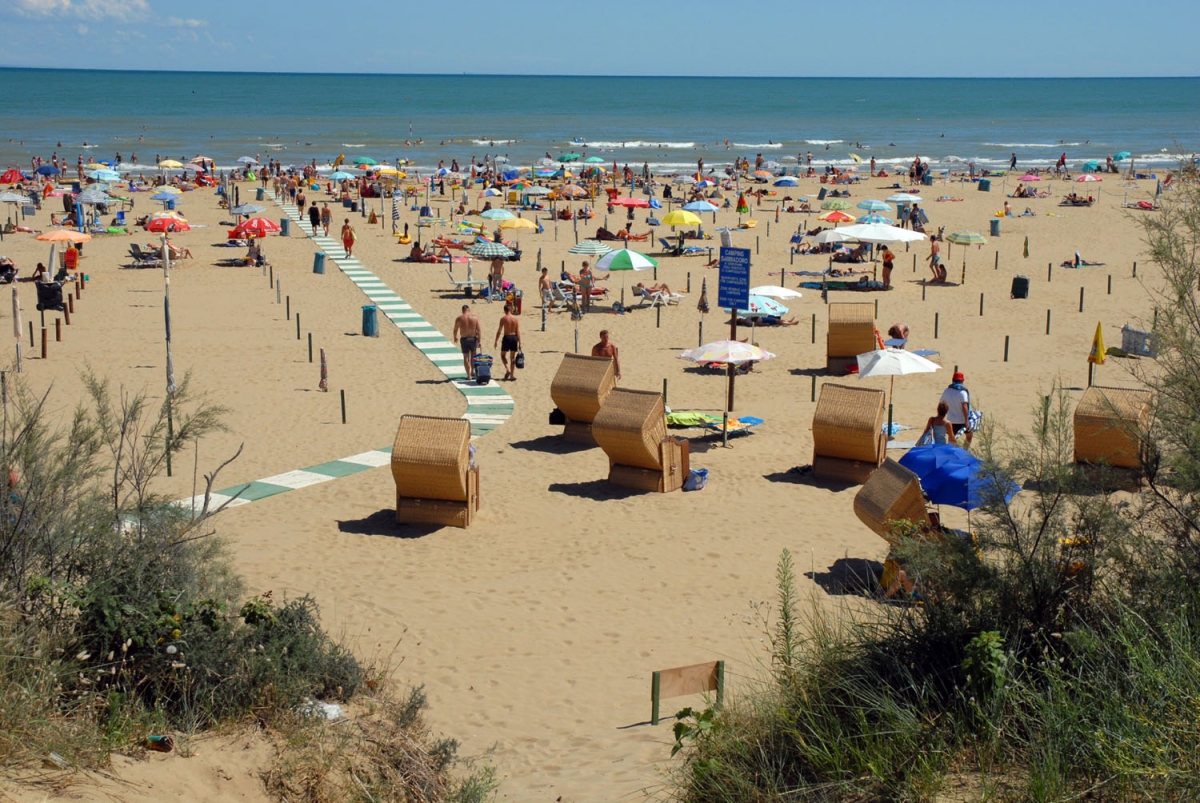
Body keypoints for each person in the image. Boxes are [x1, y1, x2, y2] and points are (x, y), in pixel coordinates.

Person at [938, 371, 972, 446]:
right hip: (961, 420)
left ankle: (953, 452)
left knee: (952, 439)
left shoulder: (947, 391)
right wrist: (966, 421)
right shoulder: (962, 392)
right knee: (969, 436)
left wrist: (940, 417)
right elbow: (964, 406)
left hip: (950, 420)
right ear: (962, 380)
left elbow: (941, 404)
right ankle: (964, 451)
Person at [453, 304, 482, 379]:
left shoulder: (459, 318)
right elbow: (479, 330)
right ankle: (472, 371)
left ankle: (469, 376)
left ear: (462, 311)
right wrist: (479, 341)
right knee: (473, 356)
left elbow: (455, 329)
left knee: (466, 357)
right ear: (469, 310)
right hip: (473, 338)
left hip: (464, 339)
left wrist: (455, 336)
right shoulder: (475, 318)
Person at [494, 303, 521, 381]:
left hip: (507, 337)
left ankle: (507, 369)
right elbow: (518, 331)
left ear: (504, 311)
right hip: (514, 337)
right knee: (512, 358)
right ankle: (512, 376)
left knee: (502, 355)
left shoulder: (503, 319)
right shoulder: (515, 319)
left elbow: (499, 331)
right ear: (511, 310)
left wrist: (496, 340)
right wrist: (520, 343)